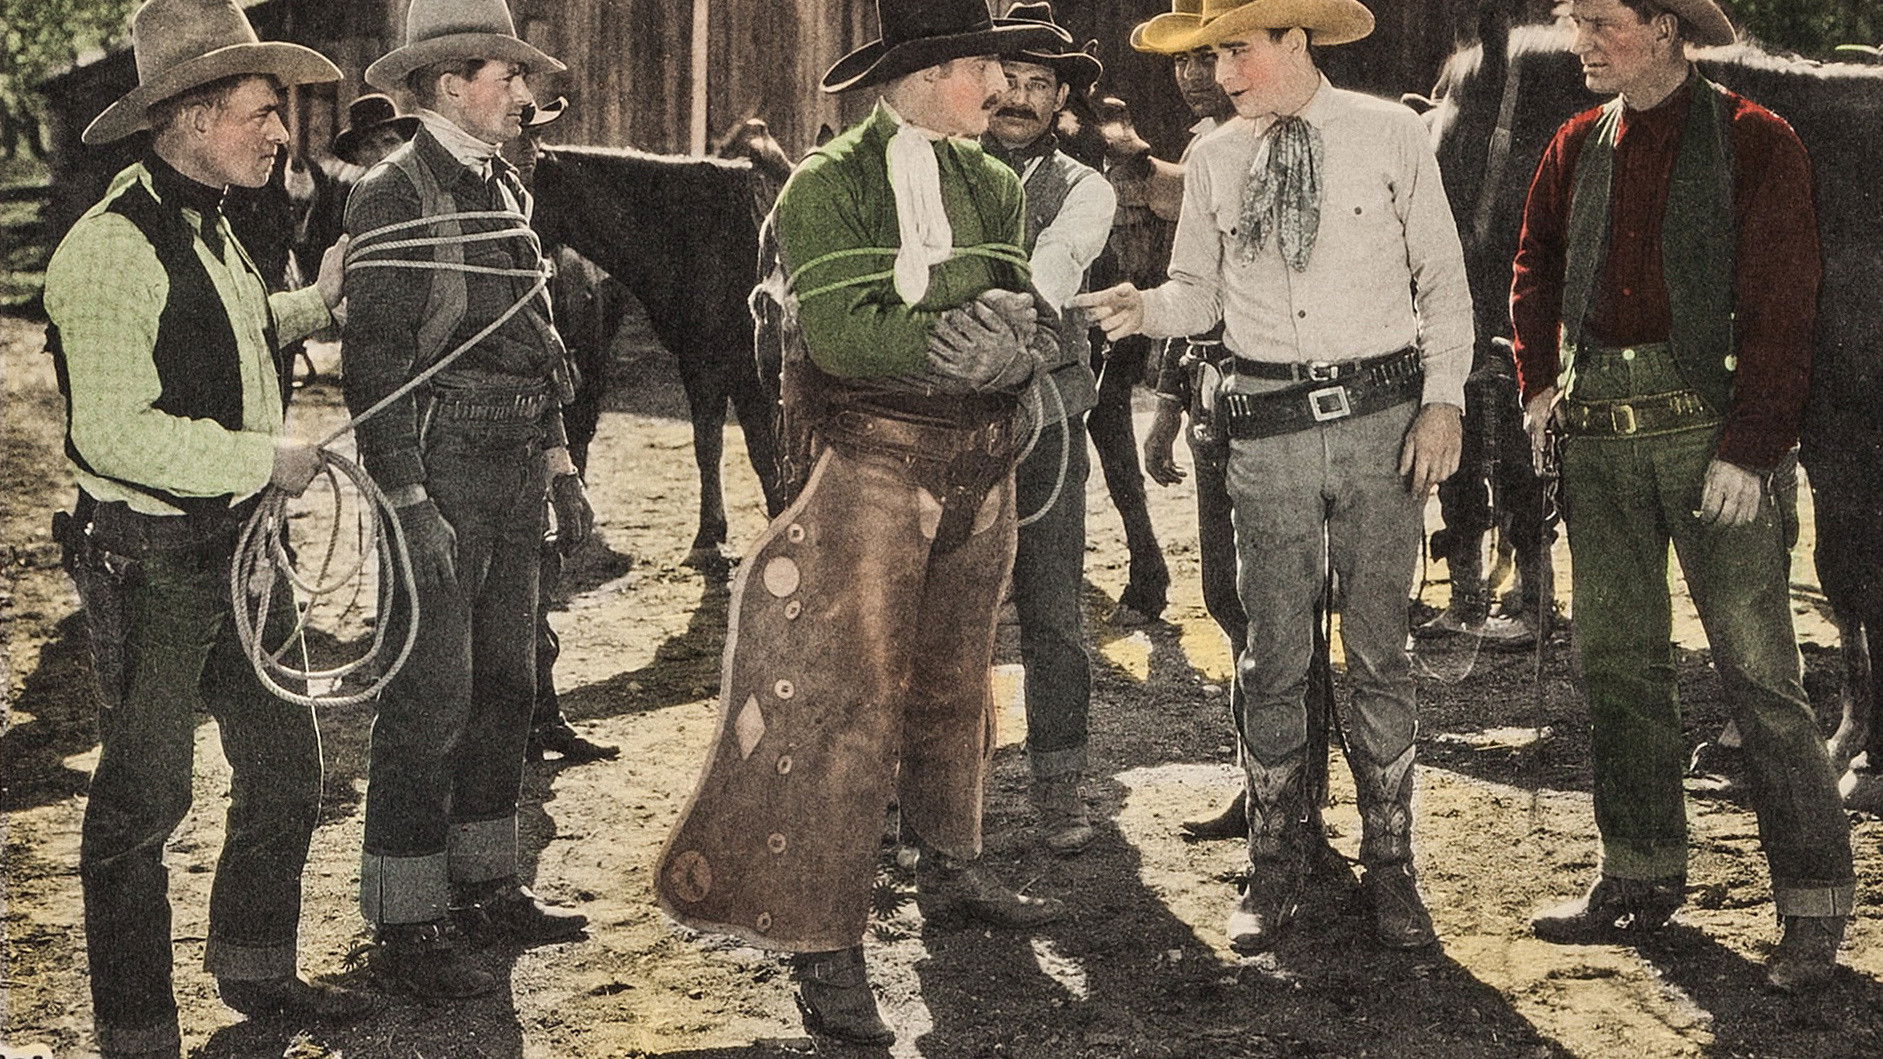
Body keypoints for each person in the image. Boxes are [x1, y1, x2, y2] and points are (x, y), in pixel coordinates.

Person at [655, 0, 1072, 1044]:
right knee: (844, 707)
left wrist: (1017, 349)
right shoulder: (826, 184)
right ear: (929, 77)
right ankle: (822, 944)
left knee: (955, 681)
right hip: (871, 471)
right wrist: (973, 340)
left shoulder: (991, 182)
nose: (1004, 90)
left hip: (980, 469)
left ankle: (950, 866)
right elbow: (843, 336)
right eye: (986, 69)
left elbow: (1023, 306)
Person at [1077, 0, 1472, 953]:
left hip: (1382, 425)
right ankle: (1274, 863)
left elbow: (1442, 280)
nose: (1219, 75)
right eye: (1212, 55)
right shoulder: (1215, 158)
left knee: (1379, 650)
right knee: (1270, 654)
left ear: (1295, 40)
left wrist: (1443, 402)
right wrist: (1143, 307)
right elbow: (1197, 294)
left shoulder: (1389, 133)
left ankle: (1391, 866)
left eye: (1237, 51)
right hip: (1267, 433)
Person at [1509, 0, 1853, 991]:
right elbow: (1532, 268)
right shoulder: (1574, 144)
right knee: (1617, 664)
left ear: (1662, 28)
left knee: (1760, 675)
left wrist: (1749, 451)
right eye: (1573, 23)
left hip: (1710, 439)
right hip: (1597, 440)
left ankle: (1812, 907)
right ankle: (1638, 872)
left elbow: (1785, 303)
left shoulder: (1755, 140)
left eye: (1600, 23)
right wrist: (1538, 385)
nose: (1579, 43)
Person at [43, 1, 367, 1054]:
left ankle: (257, 968)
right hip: (151, 562)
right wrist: (259, 459)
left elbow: (235, 330)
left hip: (239, 554)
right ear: (189, 118)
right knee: (142, 806)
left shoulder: (214, 225)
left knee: (284, 767)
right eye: (261, 113)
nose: (281, 135)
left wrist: (316, 303)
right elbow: (111, 432)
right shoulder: (109, 251)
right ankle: (137, 1031)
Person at [343, 0, 595, 1000]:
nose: (526, 94)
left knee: (508, 682)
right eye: (509, 76)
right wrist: (407, 496)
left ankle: (485, 884)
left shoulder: (503, 186)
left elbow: (537, 338)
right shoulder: (392, 193)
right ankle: (405, 920)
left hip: (517, 457)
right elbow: (374, 363)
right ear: (451, 85)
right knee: (430, 697)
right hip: (440, 464)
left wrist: (559, 463)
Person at [979, 1, 1115, 855]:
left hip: (1047, 418)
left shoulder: (1084, 188)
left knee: (1052, 608)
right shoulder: (940, 168)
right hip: (946, 417)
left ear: (1061, 98)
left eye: (1039, 83)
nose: (1021, 98)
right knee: (940, 611)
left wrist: (972, 314)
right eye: (1009, 80)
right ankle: (935, 790)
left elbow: (1050, 271)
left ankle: (1058, 785)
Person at [499, 95, 623, 764]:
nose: (535, 149)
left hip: (549, 437)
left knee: (540, 580)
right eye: (524, 136)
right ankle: (514, 728)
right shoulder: (489, 225)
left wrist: (566, 461)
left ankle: (541, 716)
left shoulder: (551, 234)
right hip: (491, 439)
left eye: (537, 137)